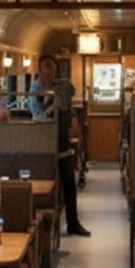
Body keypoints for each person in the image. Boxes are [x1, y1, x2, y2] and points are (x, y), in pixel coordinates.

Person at [31, 53, 91, 236]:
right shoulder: (34, 91)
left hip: (62, 142)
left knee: (69, 184)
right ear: (40, 70)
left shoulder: (63, 87)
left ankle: (73, 222)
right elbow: (39, 115)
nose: (49, 73)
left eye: (52, 68)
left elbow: (68, 98)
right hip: (42, 143)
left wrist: (69, 116)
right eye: (46, 68)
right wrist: (58, 109)